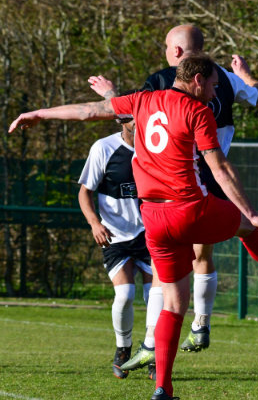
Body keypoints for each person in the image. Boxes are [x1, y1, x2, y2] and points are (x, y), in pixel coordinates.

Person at [9, 53, 258, 400]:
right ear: (198, 80)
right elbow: (219, 168)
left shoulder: (142, 101)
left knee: (173, 305)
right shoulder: (197, 111)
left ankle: (163, 388)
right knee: (250, 226)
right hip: (190, 209)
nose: (215, 92)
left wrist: (38, 114)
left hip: (155, 220)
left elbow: (88, 111)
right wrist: (251, 212)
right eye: (214, 84)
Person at [88, 24, 258, 357]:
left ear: (175, 51)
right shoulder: (226, 78)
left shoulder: (160, 82)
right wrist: (245, 75)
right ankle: (202, 324)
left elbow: (128, 118)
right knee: (213, 250)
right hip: (212, 184)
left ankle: (151, 345)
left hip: (173, 187)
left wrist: (110, 95)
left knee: (166, 274)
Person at [77, 112, 159, 379]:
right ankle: (123, 349)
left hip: (150, 233)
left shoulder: (157, 146)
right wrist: (94, 224)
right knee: (124, 295)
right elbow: (85, 192)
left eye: (142, 117)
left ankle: (154, 352)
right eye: (132, 118)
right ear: (120, 121)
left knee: (155, 296)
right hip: (115, 236)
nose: (138, 123)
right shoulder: (104, 148)